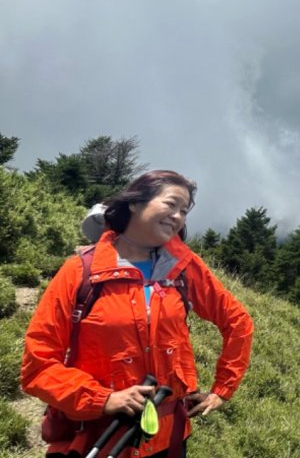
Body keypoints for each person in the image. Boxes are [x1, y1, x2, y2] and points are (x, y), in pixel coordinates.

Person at [22, 170, 254, 457]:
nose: (178, 216)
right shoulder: (80, 272)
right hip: (98, 435)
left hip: (168, 437)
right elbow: (38, 365)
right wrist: (103, 398)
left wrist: (223, 388)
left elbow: (238, 322)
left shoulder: (185, 268)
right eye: (171, 204)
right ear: (135, 202)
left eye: (184, 211)